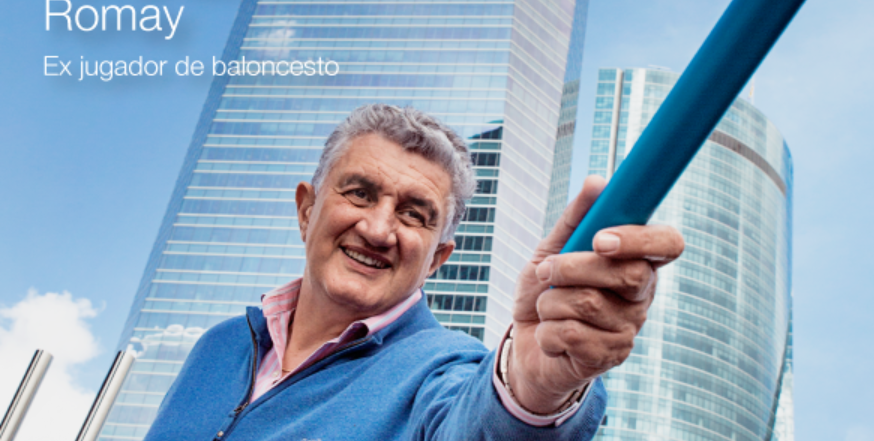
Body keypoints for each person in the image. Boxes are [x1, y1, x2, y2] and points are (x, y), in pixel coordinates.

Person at [144, 104, 684, 441]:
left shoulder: (442, 372)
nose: (379, 229)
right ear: (307, 209)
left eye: (413, 214)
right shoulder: (219, 346)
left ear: (438, 258)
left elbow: (481, 426)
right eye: (359, 193)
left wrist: (537, 388)